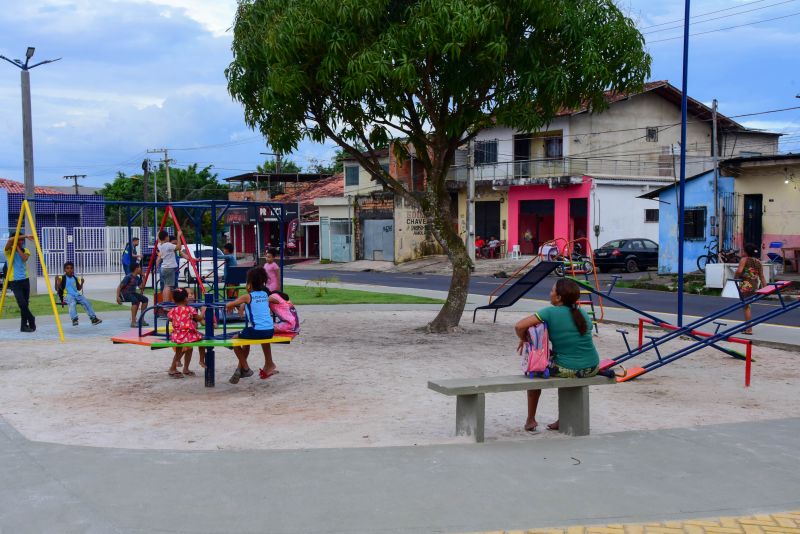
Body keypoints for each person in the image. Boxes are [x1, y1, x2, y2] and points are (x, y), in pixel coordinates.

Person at [514, 278, 600, 432]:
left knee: (535, 370)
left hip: (570, 368)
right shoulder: (582, 314)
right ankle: (564, 418)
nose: (550, 293)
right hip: (592, 366)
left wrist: (523, 339)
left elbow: (519, 326)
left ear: (559, 297)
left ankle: (530, 419)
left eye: (552, 291)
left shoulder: (549, 312)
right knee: (564, 366)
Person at [225, 268, 279, 384]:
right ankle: (242, 368)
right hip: (269, 330)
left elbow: (230, 303)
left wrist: (235, 304)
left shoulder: (247, 296)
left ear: (249, 284)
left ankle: (245, 368)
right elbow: (275, 300)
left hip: (257, 331)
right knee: (245, 339)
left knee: (235, 340)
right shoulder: (265, 294)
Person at [166, 288, 205, 378]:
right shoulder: (190, 309)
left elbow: (170, 318)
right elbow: (199, 318)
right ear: (186, 299)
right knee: (202, 340)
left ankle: (184, 369)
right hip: (188, 334)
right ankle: (201, 360)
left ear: (173, 300)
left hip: (177, 335)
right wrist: (203, 311)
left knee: (186, 349)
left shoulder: (173, 310)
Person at [4, 234, 36, 332]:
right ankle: (31, 318)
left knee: (25, 304)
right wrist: (25, 236)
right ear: (15, 240)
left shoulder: (25, 250)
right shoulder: (8, 251)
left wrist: (17, 246)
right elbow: (9, 240)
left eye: (22, 240)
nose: (21, 242)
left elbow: (24, 258)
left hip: (25, 280)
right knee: (22, 304)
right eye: (19, 240)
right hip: (14, 281)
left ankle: (23, 326)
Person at [735, 243, 767, 335]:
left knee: (746, 307)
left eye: (743, 251)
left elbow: (739, 271)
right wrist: (766, 288)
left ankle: (749, 329)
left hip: (745, 285)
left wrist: (736, 277)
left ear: (746, 252)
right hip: (754, 285)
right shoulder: (758, 262)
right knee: (748, 306)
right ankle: (748, 328)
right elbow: (762, 277)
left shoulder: (744, 259)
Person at [56, 262, 102, 327]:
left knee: (87, 302)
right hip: (67, 295)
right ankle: (74, 319)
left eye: (71, 268)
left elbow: (78, 288)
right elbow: (58, 289)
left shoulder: (75, 278)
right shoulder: (62, 278)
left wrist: (82, 283)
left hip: (77, 294)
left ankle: (93, 319)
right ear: (64, 270)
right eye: (67, 268)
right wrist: (57, 282)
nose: (69, 270)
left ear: (73, 269)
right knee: (72, 303)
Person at [117, 263, 150, 328]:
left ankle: (142, 320)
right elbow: (119, 287)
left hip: (132, 293)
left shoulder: (137, 278)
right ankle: (133, 322)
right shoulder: (128, 277)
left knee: (145, 299)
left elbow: (141, 287)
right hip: (125, 294)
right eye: (140, 268)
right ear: (136, 269)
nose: (141, 269)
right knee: (135, 300)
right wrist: (117, 297)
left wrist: (144, 277)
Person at [156, 230, 183, 306]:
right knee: (168, 286)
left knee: (166, 286)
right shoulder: (167, 245)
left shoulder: (160, 245)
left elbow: (158, 239)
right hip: (169, 268)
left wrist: (159, 234)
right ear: (166, 237)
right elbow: (179, 247)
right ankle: (167, 304)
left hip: (164, 267)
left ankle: (165, 302)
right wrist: (178, 236)